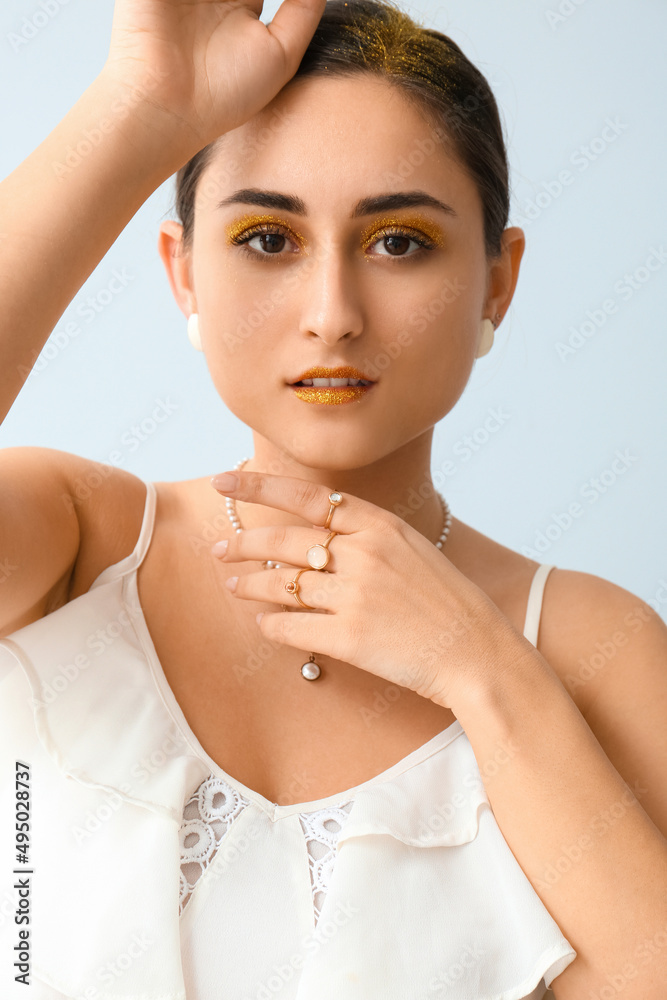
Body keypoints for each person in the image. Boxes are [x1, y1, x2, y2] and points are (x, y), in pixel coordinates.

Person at [0, 0, 666, 997]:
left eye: (398, 242)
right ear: (183, 273)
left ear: (497, 279)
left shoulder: (590, 647)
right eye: (268, 238)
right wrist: (137, 109)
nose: (331, 316)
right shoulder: (78, 548)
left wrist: (476, 665)